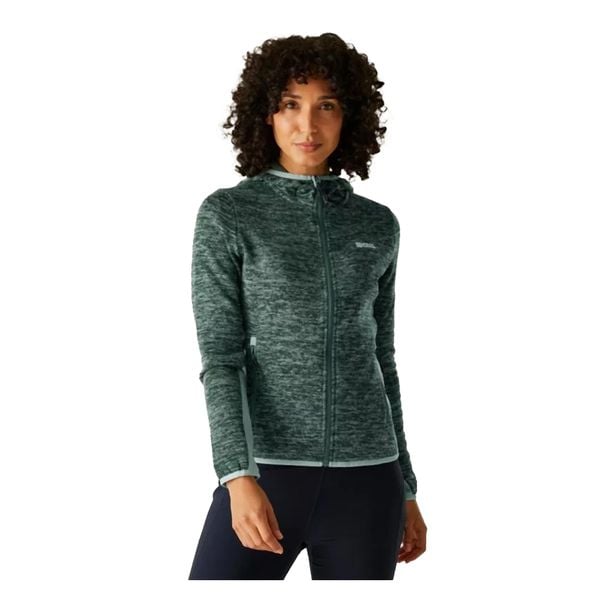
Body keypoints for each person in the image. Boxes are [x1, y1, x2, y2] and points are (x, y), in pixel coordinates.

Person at [188, 32, 427, 580]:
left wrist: (408, 488)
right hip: (268, 473)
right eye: (290, 105)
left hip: (370, 481)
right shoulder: (229, 216)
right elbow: (221, 358)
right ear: (266, 114)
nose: (308, 126)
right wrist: (237, 475)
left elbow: (382, 360)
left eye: (327, 106)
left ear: (349, 118)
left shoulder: (377, 225)